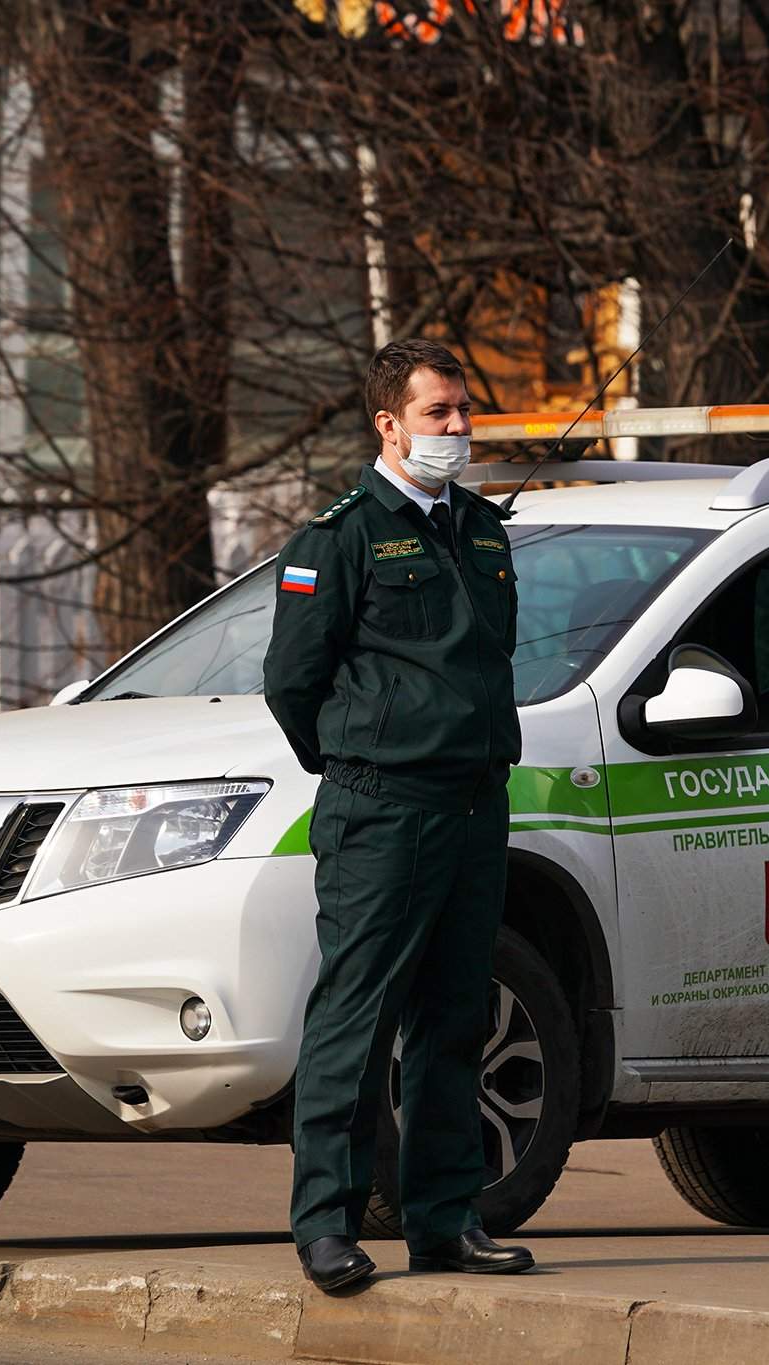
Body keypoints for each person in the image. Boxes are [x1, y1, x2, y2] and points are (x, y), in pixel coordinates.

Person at [262, 338, 531, 1291]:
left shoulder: (483, 531)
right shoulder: (340, 537)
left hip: (474, 804)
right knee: (357, 1019)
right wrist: (362, 763)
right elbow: (293, 681)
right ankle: (326, 1224)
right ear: (390, 423)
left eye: (464, 412)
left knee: (457, 1018)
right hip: (383, 808)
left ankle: (446, 1220)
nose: (457, 429)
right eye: (437, 414)